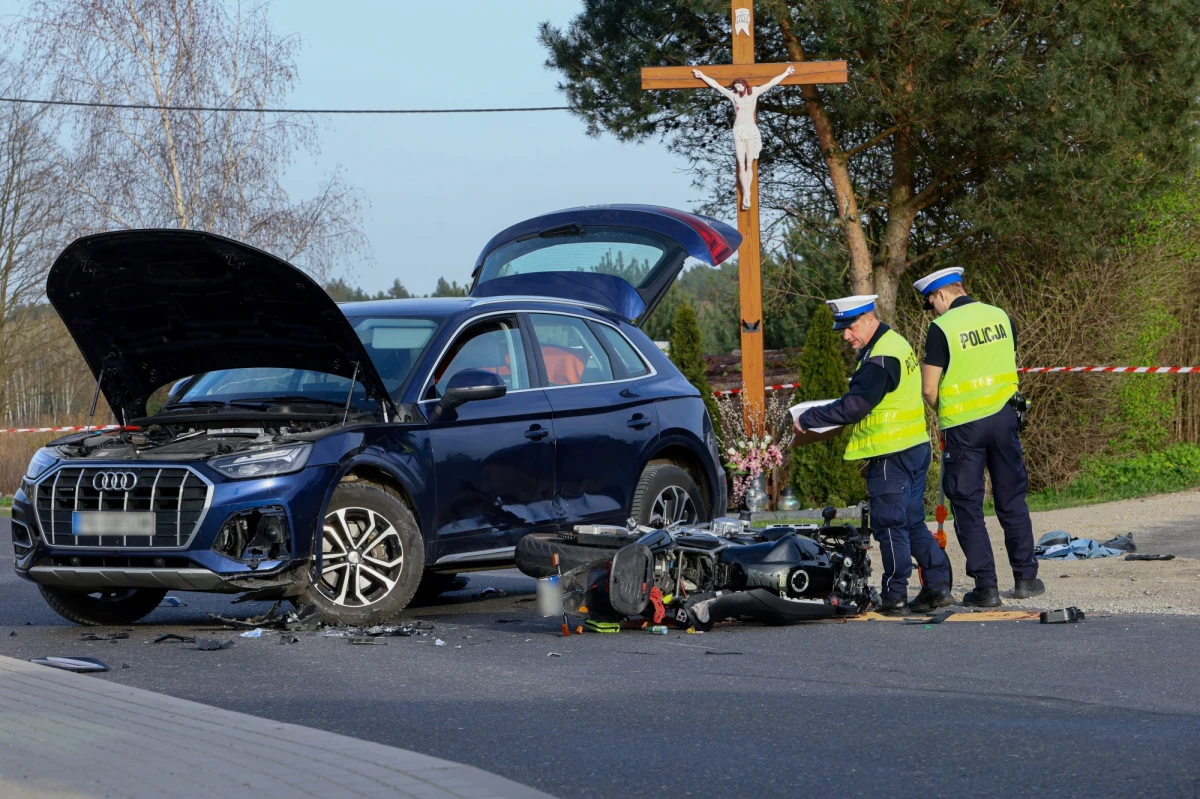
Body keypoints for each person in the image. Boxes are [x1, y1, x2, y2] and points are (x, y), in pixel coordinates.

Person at [795, 295, 952, 615]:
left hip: (890, 455)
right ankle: (937, 585)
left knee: (890, 525)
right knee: (910, 523)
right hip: (915, 447)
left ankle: (894, 595)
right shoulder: (894, 343)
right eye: (842, 329)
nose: (845, 335)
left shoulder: (879, 358)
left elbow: (855, 406)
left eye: (850, 327)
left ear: (868, 318)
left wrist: (808, 419)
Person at [914, 267, 1044, 607]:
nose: (933, 308)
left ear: (941, 295)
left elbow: (929, 389)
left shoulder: (941, 328)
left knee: (968, 505)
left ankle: (986, 588)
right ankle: (1026, 578)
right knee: (1011, 499)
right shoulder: (1000, 316)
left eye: (931, 301)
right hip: (1004, 419)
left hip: (964, 427)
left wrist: (943, 411)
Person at [692, 66, 794, 209]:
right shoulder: (733, 96)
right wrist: (702, 76)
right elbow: (716, 85)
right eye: (736, 87)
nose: (738, 89)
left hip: (750, 130)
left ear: (745, 85)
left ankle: (748, 193)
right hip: (738, 129)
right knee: (740, 162)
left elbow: (772, 83)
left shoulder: (755, 93)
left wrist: (785, 72)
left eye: (739, 86)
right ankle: (745, 194)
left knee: (748, 163)